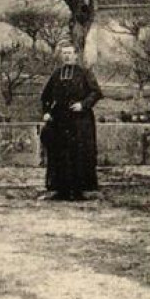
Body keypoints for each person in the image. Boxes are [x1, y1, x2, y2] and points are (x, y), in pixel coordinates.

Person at [41, 45, 102, 201]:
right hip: (60, 121)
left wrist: (83, 104)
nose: (67, 56)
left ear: (76, 55)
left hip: (80, 121)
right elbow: (46, 96)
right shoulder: (56, 74)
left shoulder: (85, 73)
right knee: (60, 154)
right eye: (64, 53)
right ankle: (60, 190)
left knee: (79, 154)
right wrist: (47, 112)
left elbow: (96, 92)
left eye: (69, 53)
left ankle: (80, 191)